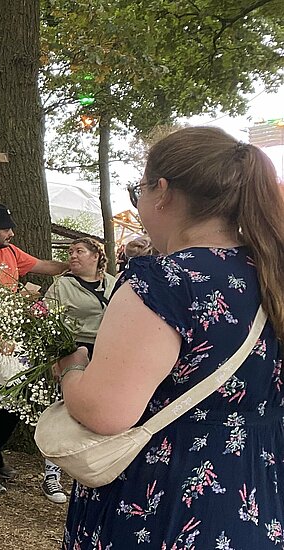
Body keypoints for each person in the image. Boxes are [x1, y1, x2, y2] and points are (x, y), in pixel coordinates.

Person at [55, 127, 284, 548]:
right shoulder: (272, 272)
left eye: (138, 190)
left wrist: (71, 370)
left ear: (161, 191)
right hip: (258, 488)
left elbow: (105, 411)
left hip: (165, 496)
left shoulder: (164, 282)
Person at [0, 203, 69, 495]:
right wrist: (20, 297)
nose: (12, 233)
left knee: (12, 404)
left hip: (11, 343)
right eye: (7, 228)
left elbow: (44, 266)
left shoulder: (12, 252)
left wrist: (72, 265)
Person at [40, 237, 116, 503]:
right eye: (70, 252)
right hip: (73, 350)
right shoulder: (62, 285)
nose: (72, 256)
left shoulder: (113, 284)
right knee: (66, 412)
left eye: (79, 251)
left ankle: (93, 471)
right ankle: (52, 474)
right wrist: (55, 359)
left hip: (106, 353)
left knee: (98, 412)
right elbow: (48, 321)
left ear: (96, 256)